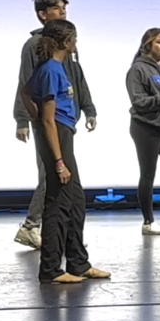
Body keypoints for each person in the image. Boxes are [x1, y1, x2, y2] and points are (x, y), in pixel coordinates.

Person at [22, 19, 110, 284]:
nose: (76, 43)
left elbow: (26, 92)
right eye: (74, 38)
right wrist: (59, 161)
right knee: (58, 203)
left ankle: (78, 262)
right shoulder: (50, 69)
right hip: (56, 135)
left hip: (62, 131)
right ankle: (50, 268)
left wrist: (36, 117)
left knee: (75, 202)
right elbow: (47, 119)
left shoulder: (54, 68)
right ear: (65, 42)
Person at [12, 0, 97, 250]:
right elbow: (26, 82)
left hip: (66, 119)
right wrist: (24, 119)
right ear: (42, 14)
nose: (63, 12)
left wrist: (88, 107)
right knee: (52, 176)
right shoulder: (34, 45)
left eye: (64, 8)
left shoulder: (68, 45)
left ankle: (63, 238)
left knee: (62, 180)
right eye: (57, 8)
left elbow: (77, 77)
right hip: (48, 121)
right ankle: (32, 226)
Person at [126, 28, 160, 236]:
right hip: (145, 127)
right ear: (148, 44)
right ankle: (148, 221)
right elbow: (138, 102)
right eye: (159, 42)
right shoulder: (138, 70)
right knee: (148, 173)